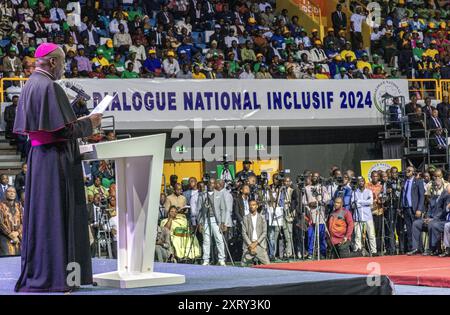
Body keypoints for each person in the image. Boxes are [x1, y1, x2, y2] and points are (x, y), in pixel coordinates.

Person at [13, 43, 102, 292]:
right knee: (59, 216)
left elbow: (49, 125)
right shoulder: (50, 86)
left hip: (39, 157)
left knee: (43, 217)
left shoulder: (30, 84)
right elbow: (64, 130)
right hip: (56, 160)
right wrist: (90, 123)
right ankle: (61, 278)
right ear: (52, 62)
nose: (64, 67)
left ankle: (46, 273)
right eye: (62, 62)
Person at [197, 178, 227, 266]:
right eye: (210, 183)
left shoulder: (219, 194)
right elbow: (199, 210)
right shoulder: (202, 195)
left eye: (213, 183)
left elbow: (223, 209)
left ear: (215, 185)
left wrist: (222, 222)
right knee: (206, 240)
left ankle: (221, 259)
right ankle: (206, 260)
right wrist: (200, 222)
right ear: (207, 184)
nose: (211, 185)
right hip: (205, 219)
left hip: (216, 220)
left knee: (219, 239)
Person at [303, 172, 330, 259]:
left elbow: (327, 200)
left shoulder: (322, 188)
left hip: (320, 214)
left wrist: (319, 202)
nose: (315, 178)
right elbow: (304, 202)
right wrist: (310, 204)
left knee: (321, 235)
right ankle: (310, 253)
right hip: (311, 215)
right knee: (311, 235)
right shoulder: (307, 188)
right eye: (313, 177)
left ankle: (322, 253)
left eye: (316, 177)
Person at [401, 166, 425, 253]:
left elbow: (422, 196)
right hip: (406, 208)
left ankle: (419, 248)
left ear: (413, 172)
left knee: (416, 228)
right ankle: (412, 248)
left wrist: (419, 209)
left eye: (409, 170)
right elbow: (402, 195)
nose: (407, 171)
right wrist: (401, 207)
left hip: (414, 209)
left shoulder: (418, 182)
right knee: (409, 228)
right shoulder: (404, 182)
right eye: (406, 170)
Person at [353, 177, 377, 256]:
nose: (361, 182)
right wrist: (364, 202)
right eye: (359, 181)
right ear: (357, 182)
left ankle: (374, 251)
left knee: (371, 235)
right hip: (358, 217)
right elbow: (353, 204)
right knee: (357, 235)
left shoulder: (369, 191)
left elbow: (370, 202)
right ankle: (358, 251)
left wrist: (359, 201)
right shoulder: (354, 192)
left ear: (364, 182)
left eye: (362, 181)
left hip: (368, 216)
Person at [241, 199, 270, 266]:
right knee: (242, 265)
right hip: (249, 246)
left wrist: (256, 243)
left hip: (260, 245)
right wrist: (251, 244)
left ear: (257, 206)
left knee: (269, 266)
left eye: (253, 205)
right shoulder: (245, 218)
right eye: (250, 205)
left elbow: (264, 232)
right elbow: (244, 233)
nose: (251, 206)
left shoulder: (262, 218)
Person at [0, 187, 23, 256]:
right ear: (5, 194)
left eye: (13, 192)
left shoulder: (19, 205)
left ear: (15, 194)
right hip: (4, 236)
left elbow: (23, 222)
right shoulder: (1, 205)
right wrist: (10, 234)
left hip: (18, 236)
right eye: (9, 191)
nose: (12, 193)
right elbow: (0, 223)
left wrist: (17, 232)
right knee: (7, 256)